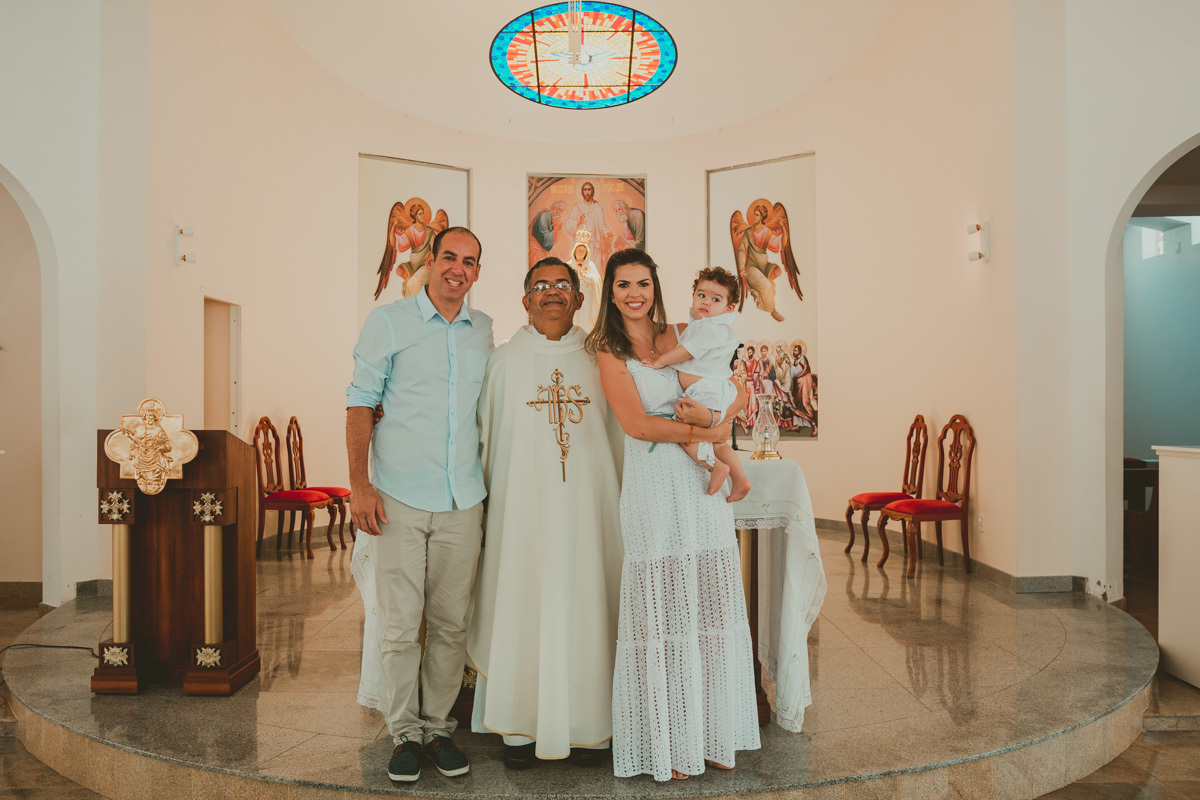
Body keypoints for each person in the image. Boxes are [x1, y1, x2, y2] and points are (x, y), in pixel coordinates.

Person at [586, 248, 761, 782]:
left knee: (707, 603)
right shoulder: (608, 350)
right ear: (610, 292)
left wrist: (717, 418)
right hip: (653, 483)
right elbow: (637, 425)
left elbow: (740, 387)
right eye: (622, 285)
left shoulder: (684, 331)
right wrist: (707, 433)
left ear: (655, 287)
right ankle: (667, 741)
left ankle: (709, 733)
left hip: (699, 484)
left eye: (642, 283)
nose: (633, 294)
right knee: (660, 607)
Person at [346, 226, 492, 784]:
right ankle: (405, 734)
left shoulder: (484, 331)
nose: (457, 268)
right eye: (449, 256)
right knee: (402, 626)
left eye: (469, 262)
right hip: (399, 497)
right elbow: (360, 402)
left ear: (478, 273)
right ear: (430, 261)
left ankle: (438, 729)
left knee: (452, 625)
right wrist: (359, 485)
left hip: (463, 499)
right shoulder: (389, 322)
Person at [467, 257, 625, 768]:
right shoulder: (502, 362)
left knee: (590, 601)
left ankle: (589, 728)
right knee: (522, 599)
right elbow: (483, 442)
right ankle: (520, 730)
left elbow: (624, 438)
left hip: (591, 515)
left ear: (580, 300)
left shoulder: (604, 357)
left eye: (563, 285)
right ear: (525, 300)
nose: (552, 292)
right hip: (522, 520)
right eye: (541, 285)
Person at [640, 267, 751, 500]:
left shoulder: (713, 329)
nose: (706, 302)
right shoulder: (701, 326)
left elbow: (687, 351)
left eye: (715, 299)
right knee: (718, 442)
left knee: (683, 430)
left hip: (706, 391)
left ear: (729, 308)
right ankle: (740, 480)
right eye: (701, 295)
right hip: (707, 390)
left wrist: (660, 361)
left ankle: (714, 466)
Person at [563, 181, 613, 270]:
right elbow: (568, 225)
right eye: (585, 190)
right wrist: (578, 221)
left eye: (589, 190)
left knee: (596, 267)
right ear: (582, 192)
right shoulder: (577, 207)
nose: (587, 192)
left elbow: (602, 225)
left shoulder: (597, 208)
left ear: (592, 192)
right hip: (580, 244)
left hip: (595, 243)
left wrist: (607, 232)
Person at [569, 235, 603, 330]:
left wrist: (585, 276)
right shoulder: (568, 265)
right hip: (573, 297)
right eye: (579, 250)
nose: (580, 253)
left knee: (586, 318)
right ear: (575, 251)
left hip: (587, 298)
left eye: (583, 251)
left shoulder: (590, 265)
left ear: (586, 253)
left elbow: (597, 280)